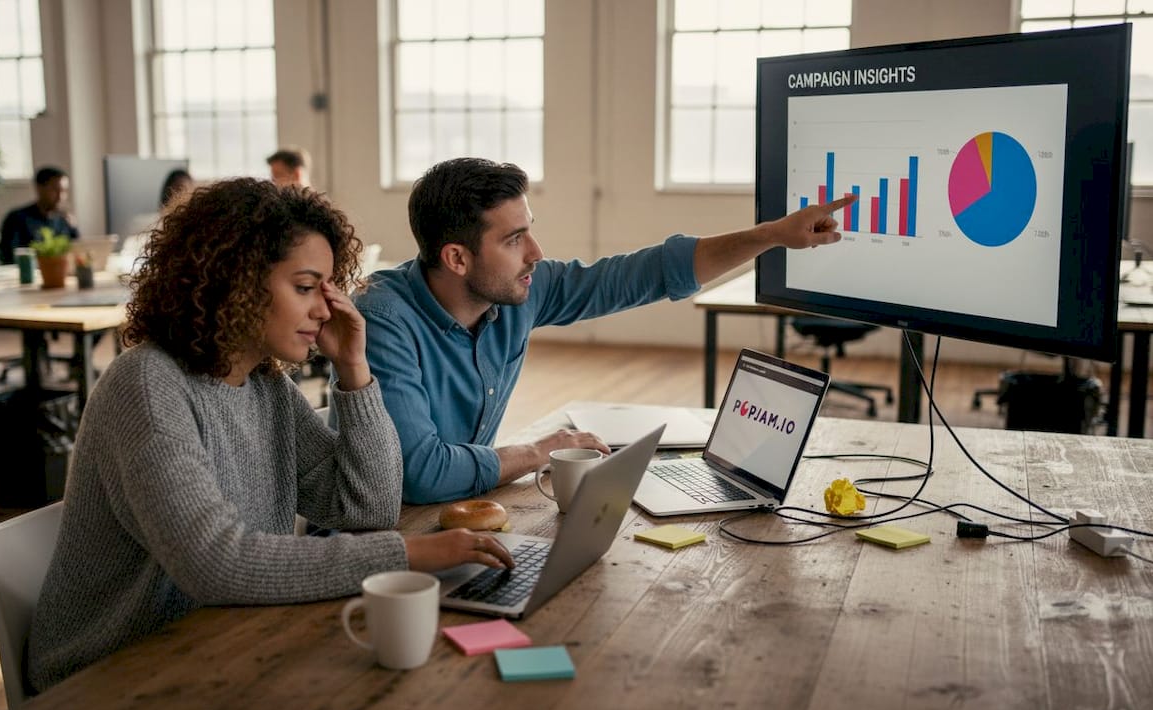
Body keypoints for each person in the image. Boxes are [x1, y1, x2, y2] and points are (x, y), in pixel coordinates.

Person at [27, 178, 513, 692]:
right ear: (233, 281)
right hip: (108, 677)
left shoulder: (265, 386)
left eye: (327, 289)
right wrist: (407, 554)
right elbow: (215, 564)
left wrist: (354, 368)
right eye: (305, 288)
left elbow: (367, 506)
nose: (325, 309)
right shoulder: (147, 385)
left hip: (222, 644)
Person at [339, 157, 855, 504]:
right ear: (456, 257)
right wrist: (538, 453)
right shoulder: (385, 320)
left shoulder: (519, 290)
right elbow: (420, 473)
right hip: (380, 536)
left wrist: (772, 236)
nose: (537, 253)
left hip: (460, 513)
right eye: (515, 238)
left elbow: (644, 274)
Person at [0, 165, 79, 264]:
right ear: (39, 188)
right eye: (55, 190)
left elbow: (77, 253)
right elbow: (8, 257)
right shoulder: (17, 218)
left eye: (64, 191)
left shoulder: (65, 221)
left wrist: (74, 228)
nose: (60, 197)